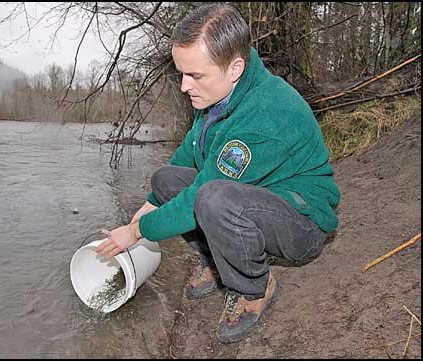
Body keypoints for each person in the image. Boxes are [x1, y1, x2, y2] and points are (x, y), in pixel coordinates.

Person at [96, 3, 340, 344]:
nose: (184, 86)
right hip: (260, 197)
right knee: (166, 179)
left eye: (195, 75)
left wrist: (136, 232)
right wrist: (148, 206)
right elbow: (188, 155)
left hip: (302, 222)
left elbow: (199, 194)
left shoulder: (265, 115)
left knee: (213, 198)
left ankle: (254, 288)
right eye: (182, 73)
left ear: (235, 67)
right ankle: (216, 261)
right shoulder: (223, 92)